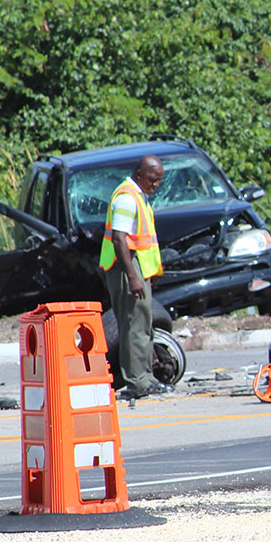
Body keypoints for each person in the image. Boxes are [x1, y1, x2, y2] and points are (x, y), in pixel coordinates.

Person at [100, 155, 168, 399]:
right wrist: (134, 276)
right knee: (133, 326)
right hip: (125, 268)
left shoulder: (139, 196)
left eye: (159, 181)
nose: (156, 185)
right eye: (153, 179)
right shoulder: (128, 198)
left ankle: (145, 376)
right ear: (140, 173)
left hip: (136, 268)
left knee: (142, 324)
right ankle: (137, 381)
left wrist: (149, 273)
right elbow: (120, 239)